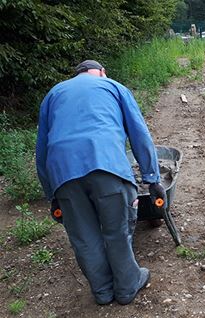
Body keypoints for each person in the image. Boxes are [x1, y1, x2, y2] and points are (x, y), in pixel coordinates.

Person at [36, 60, 165, 305]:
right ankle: (127, 287)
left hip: (64, 174)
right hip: (108, 166)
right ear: (102, 72)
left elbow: (41, 150)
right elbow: (139, 134)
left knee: (84, 237)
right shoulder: (113, 87)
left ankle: (103, 292)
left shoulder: (54, 94)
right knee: (117, 230)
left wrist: (51, 195)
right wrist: (152, 178)